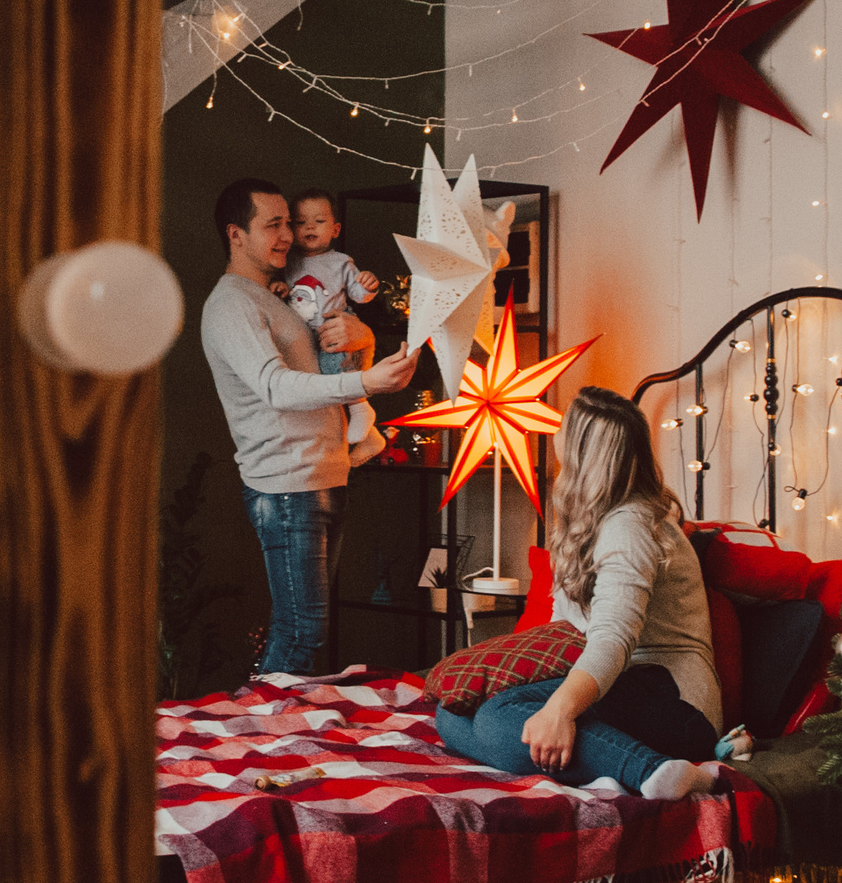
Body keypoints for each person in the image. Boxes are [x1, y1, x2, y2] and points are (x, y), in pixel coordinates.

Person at [433, 387, 723, 800]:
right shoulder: (589, 517)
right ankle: (600, 767)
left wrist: (559, 710)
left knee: (499, 719)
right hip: (615, 681)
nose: (556, 434)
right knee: (453, 710)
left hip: (672, 699)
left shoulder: (631, 526)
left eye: (564, 426)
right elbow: (563, 625)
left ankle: (657, 772)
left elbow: (613, 640)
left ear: (585, 449)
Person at [200, 177, 420, 676]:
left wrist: (361, 338)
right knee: (303, 629)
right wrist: (367, 379)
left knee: (301, 627)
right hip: (285, 484)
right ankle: (260, 735)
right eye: (273, 225)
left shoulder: (283, 297)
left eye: (290, 224)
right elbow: (277, 387)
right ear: (236, 234)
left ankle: (267, 732)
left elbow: (327, 368)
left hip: (323, 475)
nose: (288, 236)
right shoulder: (233, 304)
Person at [283, 188, 385, 465]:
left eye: (319, 221)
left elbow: (359, 295)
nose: (309, 228)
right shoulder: (287, 262)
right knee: (321, 389)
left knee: (334, 372)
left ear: (335, 229)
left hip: (333, 329)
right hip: (305, 336)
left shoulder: (340, 262)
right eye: (301, 223)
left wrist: (367, 285)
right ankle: (372, 437)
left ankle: (362, 409)